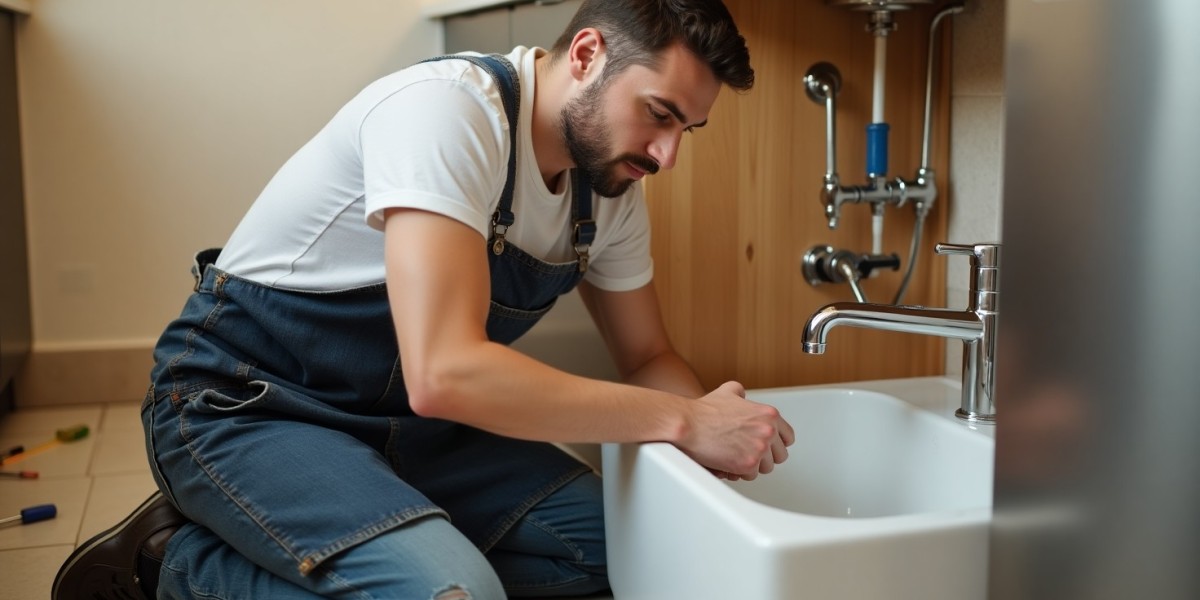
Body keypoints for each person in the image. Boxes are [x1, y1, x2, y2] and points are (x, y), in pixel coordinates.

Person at [53, 0, 795, 598]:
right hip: (246, 406)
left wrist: (709, 482)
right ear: (586, 54)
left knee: (633, 559)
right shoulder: (450, 112)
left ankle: (364, 544)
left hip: (408, 430)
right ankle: (171, 565)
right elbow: (445, 373)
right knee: (450, 590)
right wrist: (683, 418)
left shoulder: (609, 187)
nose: (667, 156)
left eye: (687, 131)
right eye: (660, 114)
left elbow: (648, 355)